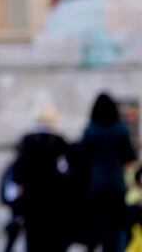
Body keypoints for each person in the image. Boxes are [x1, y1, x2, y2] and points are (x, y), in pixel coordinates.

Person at [80, 93, 136, 252]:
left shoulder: (90, 130)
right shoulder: (120, 129)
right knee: (118, 225)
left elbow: (82, 158)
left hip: (97, 185)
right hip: (117, 184)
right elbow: (129, 157)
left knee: (103, 226)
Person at [12, 106, 72, 252]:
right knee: (52, 235)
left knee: (32, 235)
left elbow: (19, 169)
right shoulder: (58, 140)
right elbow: (66, 168)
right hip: (52, 196)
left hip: (31, 195)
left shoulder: (27, 140)